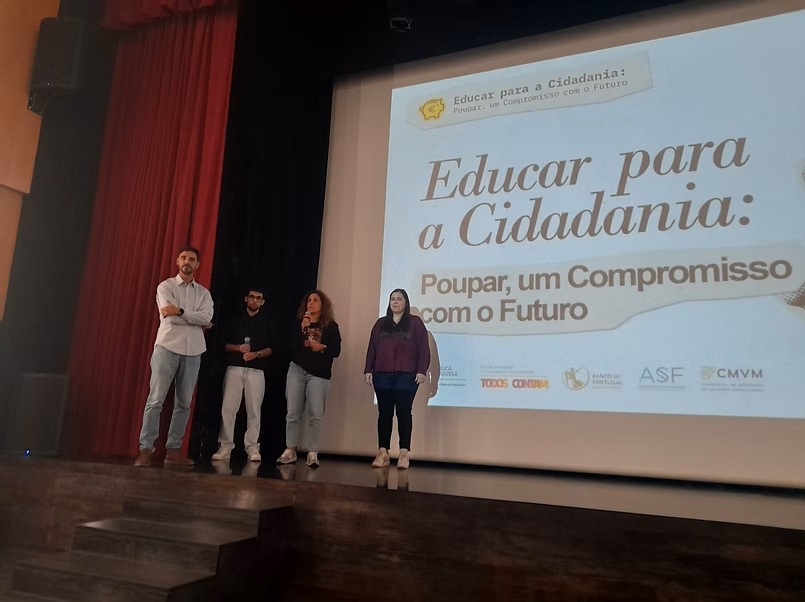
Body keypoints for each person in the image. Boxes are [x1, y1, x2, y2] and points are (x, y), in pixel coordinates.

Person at [135, 246, 214, 467]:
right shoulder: (166, 286)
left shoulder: (204, 293)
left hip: (193, 351)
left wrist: (180, 311)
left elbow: (207, 317)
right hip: (167, 347)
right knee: (156, 400)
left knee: (184, 404)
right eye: (184, 258)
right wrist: (196, 319)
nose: (187, 261)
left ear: (197, 264)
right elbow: (167, 316)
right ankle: (146, 449)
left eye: (192, 259)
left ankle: (173, 451)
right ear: (177, 261)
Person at [364, 288, 430, 469]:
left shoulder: (415, 323)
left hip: (407, 375)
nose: (395, 302)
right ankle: (383, 453)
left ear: (405, 302)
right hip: (382, 375)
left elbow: (423, 348)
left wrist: (422, 370)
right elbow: (372, 347)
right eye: (392, 299)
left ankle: (404, 453)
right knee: (384, 413)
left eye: (399, 299)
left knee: (403, 412)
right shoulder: (381, 323)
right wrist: (368, 369)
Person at [277, 290, 342, 468]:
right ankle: (290, 449)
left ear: (323, 305)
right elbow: (292, 347)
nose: (311, 303)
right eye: (309, 301)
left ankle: (313, 453)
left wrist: (321, 347)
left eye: (315, 300)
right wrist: (303, 329)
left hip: (319, 374)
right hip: (297, 370)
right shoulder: (298, 324)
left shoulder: (331, 326)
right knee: (292, 412)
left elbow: (336, 351)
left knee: (315, 414)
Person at [211, 287, 274, 463]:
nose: (254, 300)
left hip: (257, 370)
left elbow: (272, 348)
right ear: (246, 299)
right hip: (234, 368)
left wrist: (256, 354)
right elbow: (223, 344)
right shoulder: (234, 320)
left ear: (262, 302)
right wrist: (238, 348)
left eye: (258, 298)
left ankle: (252, 446)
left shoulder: (267, 322)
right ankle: (225, 446)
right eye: (252, 297)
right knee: (228, 408)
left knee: (254, 410)